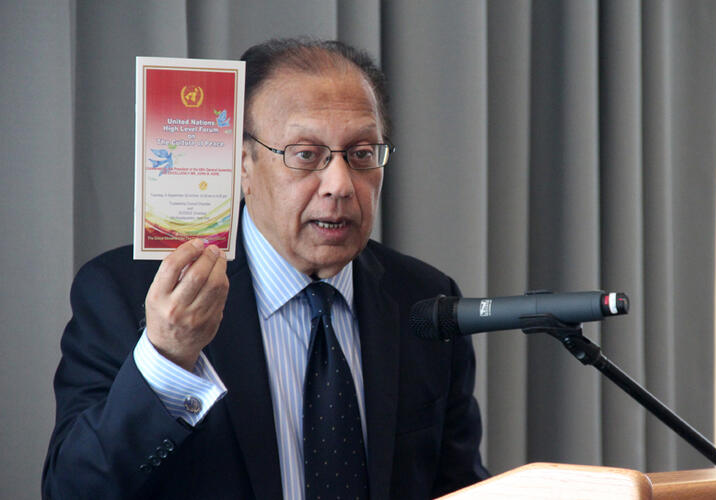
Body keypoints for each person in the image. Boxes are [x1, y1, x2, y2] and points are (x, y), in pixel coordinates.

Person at [43, 38, 488, 499]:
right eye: (305, 154)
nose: (339, 185)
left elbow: (457, 484)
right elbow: (73, 489)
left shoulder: (423, 299)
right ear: (241, 163)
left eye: (361, 154)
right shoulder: (123, 293)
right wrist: (167, 359)